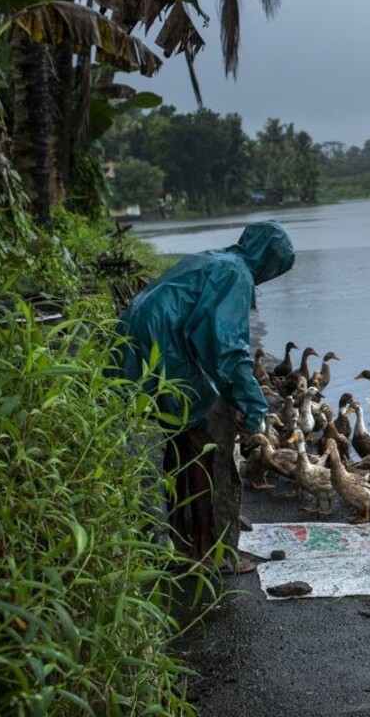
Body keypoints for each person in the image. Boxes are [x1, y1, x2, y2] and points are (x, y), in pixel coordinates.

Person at [114, 220, 295, 573]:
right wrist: (253, 404)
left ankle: (183, 545)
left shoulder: (217, 259)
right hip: (164, 348)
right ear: (269, 260)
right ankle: (207, 553)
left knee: (180, 443)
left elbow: (206, 333)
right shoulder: (236, 275)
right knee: (202, 449)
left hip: (136, 339)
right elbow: (227, 348)